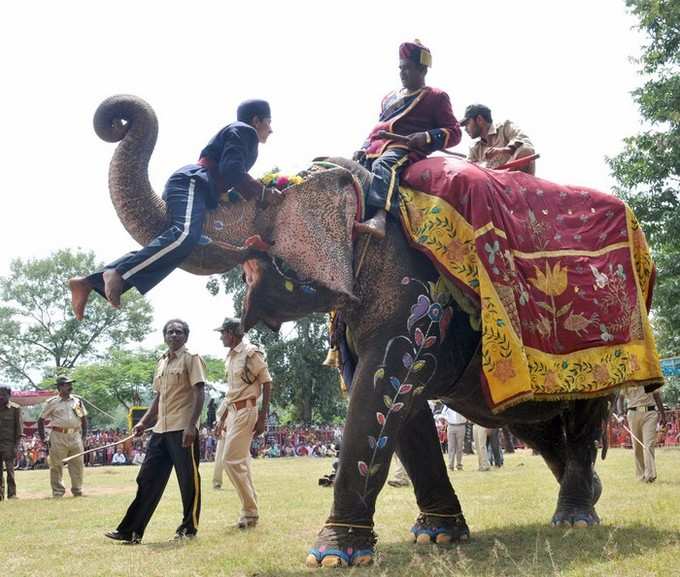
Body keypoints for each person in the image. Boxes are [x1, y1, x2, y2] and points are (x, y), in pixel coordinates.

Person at [68, 100, 278, 320]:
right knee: (185, 234)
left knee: (179, 248)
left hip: (202, 193)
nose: (271, 130)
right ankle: (118, 273)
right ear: (256, 120)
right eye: (269, 122)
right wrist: (263, 193)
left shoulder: (240, 133)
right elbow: (232, 169)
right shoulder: (245, 131)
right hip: (193, 183)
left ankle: (89, 282)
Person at [105, 319, 206, 543]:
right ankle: (131, 531)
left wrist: (192, 425)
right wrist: (144, 422)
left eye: (179, 332)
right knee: (147, 479)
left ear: (186, 336)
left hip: (183, 429)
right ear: (164, 337)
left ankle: (188, 529)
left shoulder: (192, 358)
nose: (174, 335)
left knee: (188, 481)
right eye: (170, 332)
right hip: (160, 430)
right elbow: (158, 398)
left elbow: (199, 392)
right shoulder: (161, 362)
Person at [353, 40, 461, 239]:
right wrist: (363, 148)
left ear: (422, 70)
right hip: (375, 147)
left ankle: (380, 217)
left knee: (383, 166)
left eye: (408, 68)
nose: (402, 73)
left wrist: (426, 136)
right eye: (400, 68)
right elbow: (378, 127)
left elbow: (455, 132)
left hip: (403, 149)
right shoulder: (389, 98)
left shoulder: (436, 97)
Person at [213, 317, 273, 529]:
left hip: (247, 410)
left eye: (223, 333)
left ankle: (250, 510)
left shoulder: (251, 353)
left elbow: (267, 383)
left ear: (232, 333)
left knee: (230, 460)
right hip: (232, 412)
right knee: (241, 462)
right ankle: (250, 511)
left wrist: (262, 418)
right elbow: (231, 393)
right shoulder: (230, 357)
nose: (221, 337)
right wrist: (221, 419)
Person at [38, 377, 88, 497]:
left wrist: (84, 436)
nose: (70, 387)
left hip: (75, 436)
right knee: (56, 465)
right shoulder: (52, 402)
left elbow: (83, 419)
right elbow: (41, 420)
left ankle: (77, 490)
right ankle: (58, 491)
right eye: (67, 385)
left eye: (71, 384)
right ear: (60, 387)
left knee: (77, 465)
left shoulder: (77, 402)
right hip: (58, 436)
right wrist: (43, 438)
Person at [460, 104, 536, 174]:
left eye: (467, 124)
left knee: (525, 150)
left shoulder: (505, 127)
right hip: (491, 185)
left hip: (511, 180)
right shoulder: (474, 149)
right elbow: (467, 169)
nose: (465, 129)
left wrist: (504, 150)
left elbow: (525, 141)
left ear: (479, 119)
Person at [617, 386, 667, 483]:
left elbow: (657, 396)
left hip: (650, 413)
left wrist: (663, 415)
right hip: (633, 413)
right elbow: (620, 398)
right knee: (637, 446)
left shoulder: (651, 376)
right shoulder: (628, 378)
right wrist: (620, 414)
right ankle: (641, 476)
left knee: (649, 445)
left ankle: (650, 475)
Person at [0, 387, 23, 500]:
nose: (1, 397)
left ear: (9, 395)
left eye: (3, 394)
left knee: (10, 470)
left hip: (10, 444)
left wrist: (16, 446)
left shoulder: (15, 408)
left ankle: (12, 494)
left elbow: (19, 430)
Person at [440, 405, 466, 471]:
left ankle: (459, 465)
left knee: (459, 447)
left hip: (461, 425)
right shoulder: (448, 404)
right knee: (451, 447)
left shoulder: (462, 403)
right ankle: (450, 466)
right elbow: (442, 414)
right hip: (451, 426)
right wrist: (447, 419)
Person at [212, 395, 229, 490]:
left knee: (241, 458)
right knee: (219, 458)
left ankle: (244, 482)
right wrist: (220, 425)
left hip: (238, 432)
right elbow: (219, 414)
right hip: (225, 433)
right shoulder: (228, 398)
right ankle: (217, 482)